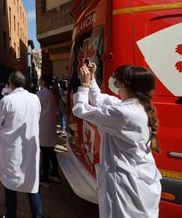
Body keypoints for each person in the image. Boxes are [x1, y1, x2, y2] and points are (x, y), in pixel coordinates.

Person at [73, 63, 161, 218]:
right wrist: (92, 78)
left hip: (125, 184)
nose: (116, 86)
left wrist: (84, 85)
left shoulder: (124, 113)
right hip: (136, 180)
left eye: (116, 82)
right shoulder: (133, 106)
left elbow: (80, 110)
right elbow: (100, 99)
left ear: (126, 84)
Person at [0, 71, 43, 218]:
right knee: (32, 184)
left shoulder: (7, 101)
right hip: (31, 147)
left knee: (10, 184)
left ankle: (11, 215)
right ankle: (37, 215)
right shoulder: (35, 98)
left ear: (10, 83)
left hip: (12, 148)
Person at [37, 75, 60, 187]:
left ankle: (45, 178)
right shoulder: (52, 93)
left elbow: (35, 108)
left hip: (43, 126)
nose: (40, 82)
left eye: (41, 80)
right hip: (51, 126)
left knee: (45, 153)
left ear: (44, 82)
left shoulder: (41, 94)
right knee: (51, 151)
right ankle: (56, 174)